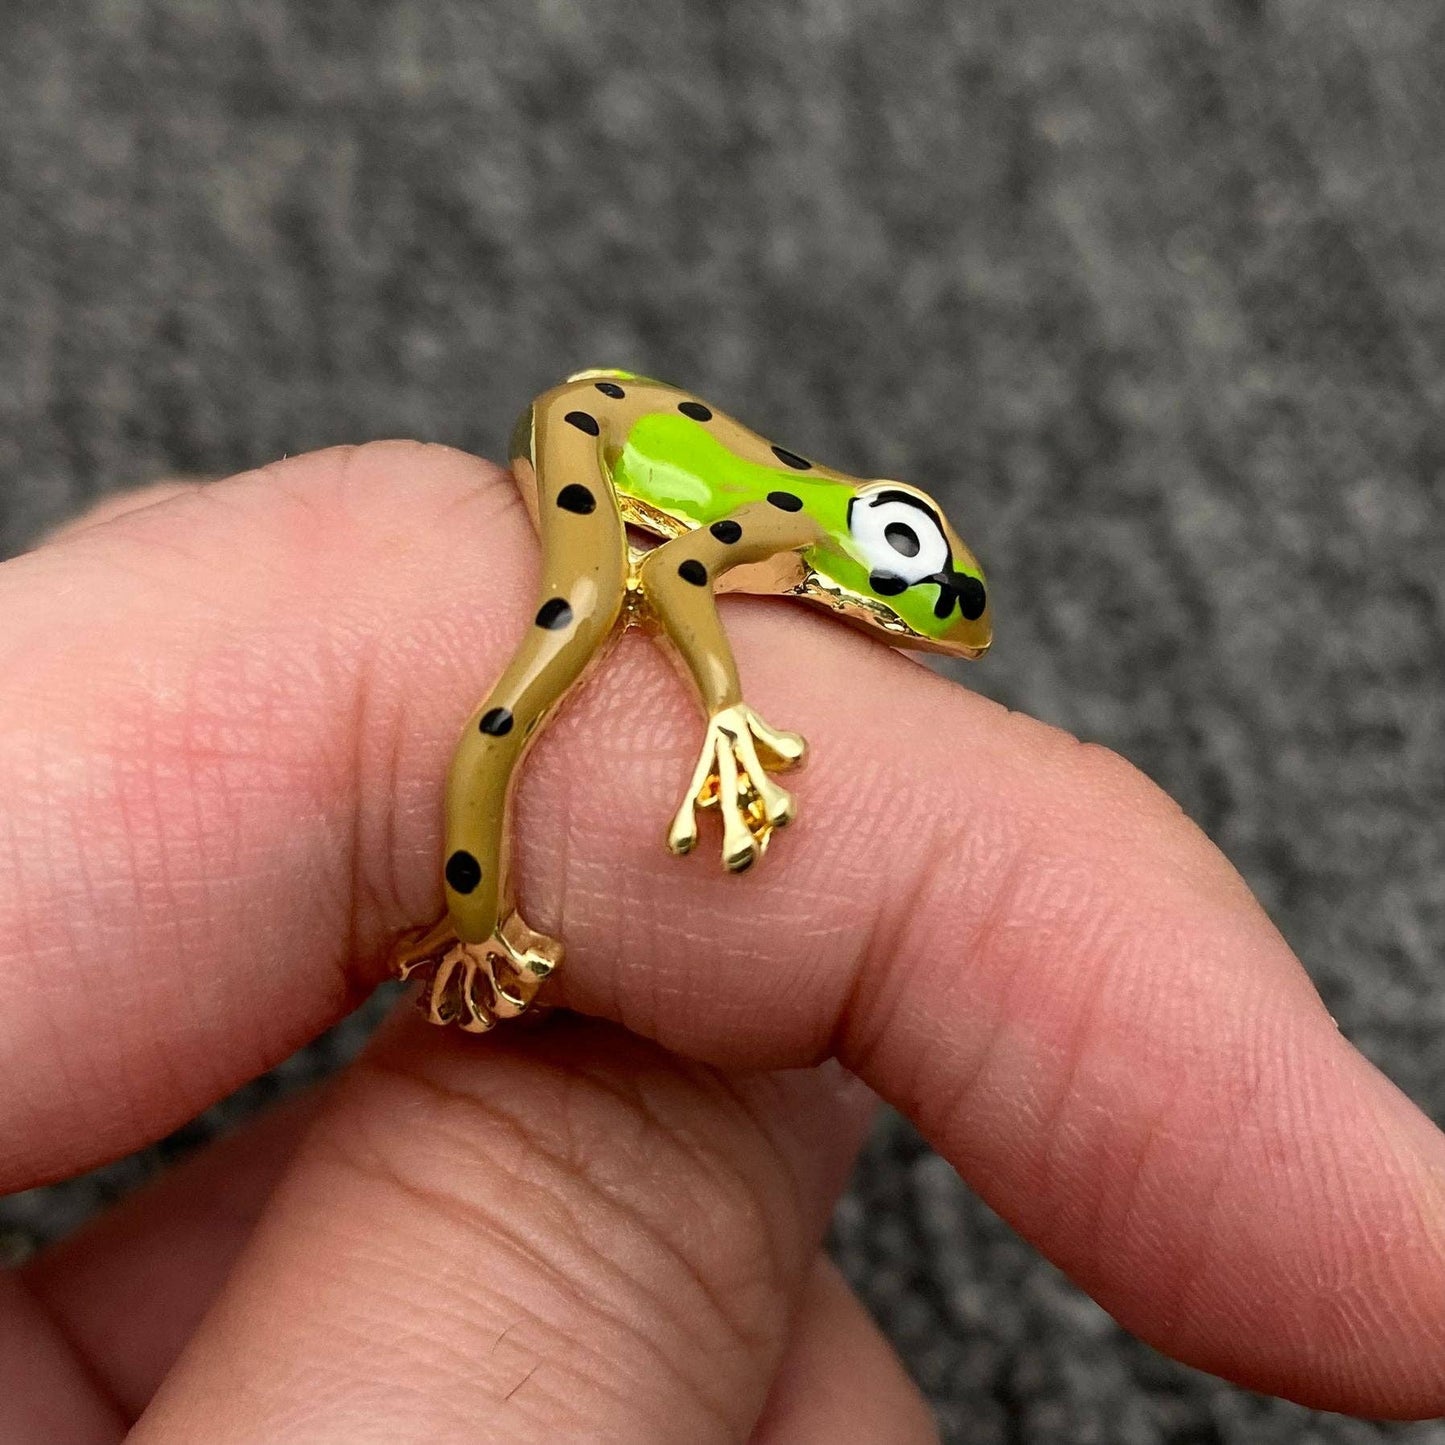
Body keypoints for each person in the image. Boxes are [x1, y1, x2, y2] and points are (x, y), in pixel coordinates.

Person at [1, 441, 1441, 1443]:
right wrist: (720, 710)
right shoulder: (774, 536)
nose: (914, 613)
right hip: (595, 453)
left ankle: (482, 894)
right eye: (905, 586)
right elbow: (669, 580)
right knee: (546, 655)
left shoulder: (819, 534)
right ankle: (478, 902)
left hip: (640, 437)